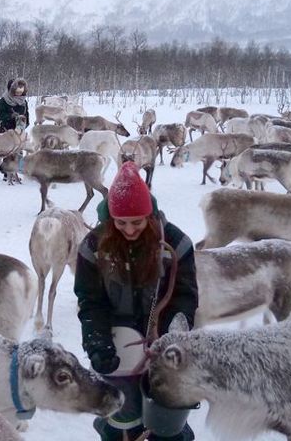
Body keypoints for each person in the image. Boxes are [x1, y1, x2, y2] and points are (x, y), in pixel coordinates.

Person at [74, 161, 198, 441]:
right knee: (119, 419)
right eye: (121, 223)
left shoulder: (176, 246)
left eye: (138, 222)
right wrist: (96, 340)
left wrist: (171, 340)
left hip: (161, 343)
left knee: (166, 424)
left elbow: (184, 299)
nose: (129, 230)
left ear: (150, 216)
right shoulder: (94, 247)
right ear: (110, 219)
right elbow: (91, 300)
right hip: (117, 343)